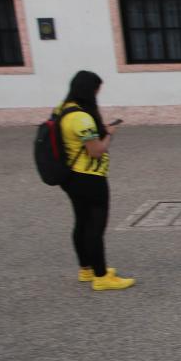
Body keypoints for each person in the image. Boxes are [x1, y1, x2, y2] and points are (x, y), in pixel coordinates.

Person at [57, 71, 135, 291]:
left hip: (71, 177)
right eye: (97, 90)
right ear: (90, 90)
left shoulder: (64, 110)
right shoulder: (82, 118)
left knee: (81, 223)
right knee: (95, 227)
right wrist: (109, 133)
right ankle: (101, 277)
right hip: (90, 178)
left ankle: (86, 269)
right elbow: (96, 150)